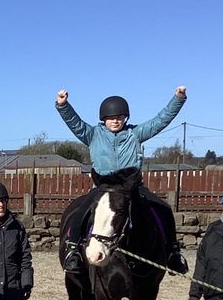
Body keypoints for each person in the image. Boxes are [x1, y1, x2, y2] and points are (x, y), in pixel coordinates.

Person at [56, 87, 190, 275]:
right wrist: (63, 106)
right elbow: (75, 123)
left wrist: (178, 99)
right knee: (80, 212)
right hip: (103, 188)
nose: (115, 120)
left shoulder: (135, 134)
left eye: (119, 117)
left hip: (131, 187)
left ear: (125, 118)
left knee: (164, 209)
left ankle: (172, 253)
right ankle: (73, 252)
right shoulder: (92, 134)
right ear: (104, 119)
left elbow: (161, 121)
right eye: (111, 118)